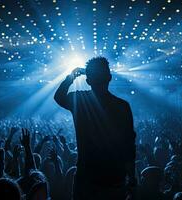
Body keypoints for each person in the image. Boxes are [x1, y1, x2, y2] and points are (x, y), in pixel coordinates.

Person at [54, 57, 136, 200]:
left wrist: (71, 77)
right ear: (109, 77)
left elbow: (59, 97)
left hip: (86, 178)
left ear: (88, 80)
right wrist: (131, 176)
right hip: (114, 179)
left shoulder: (80, 100)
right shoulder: (122, 106)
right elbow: (128, 144)